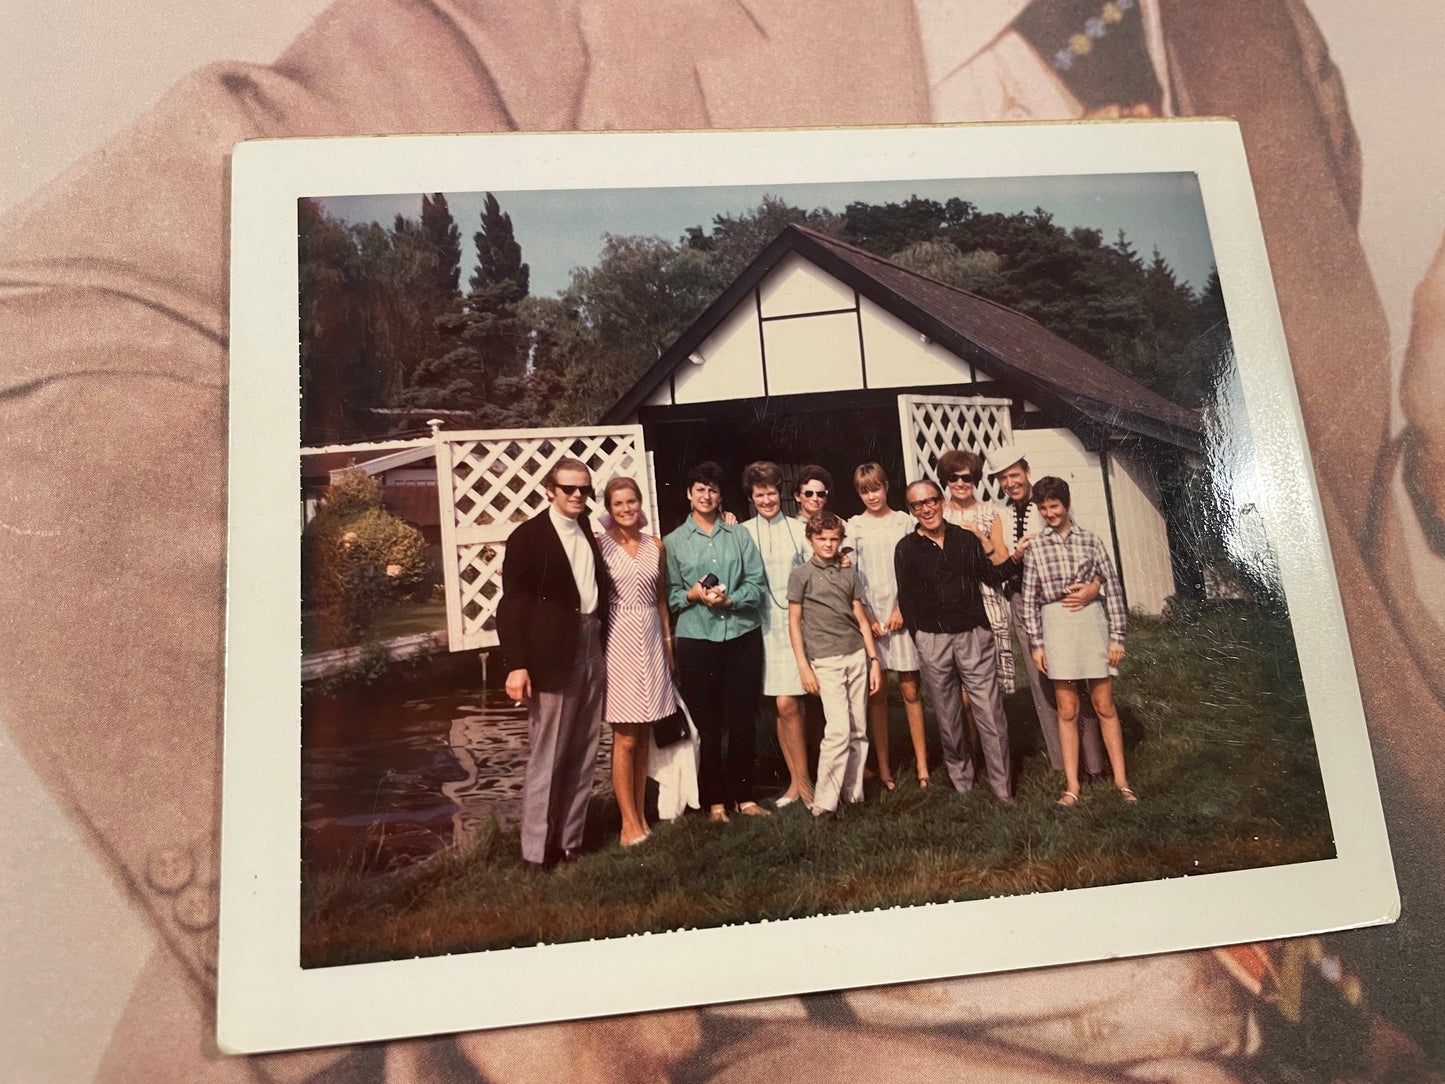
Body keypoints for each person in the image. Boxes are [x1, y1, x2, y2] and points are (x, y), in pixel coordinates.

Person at [4, 3, 1445, 1080]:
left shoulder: (1260, 41)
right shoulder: (558, 21)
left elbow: (1303, 561)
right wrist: (386, 920)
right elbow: (54, 333)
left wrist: (1431, 502)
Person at [495, 457, 611, 870]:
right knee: (548, 753)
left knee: (584, 749)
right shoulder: (527, 538)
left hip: (590, 643)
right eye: (569, 489)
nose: (578, 495)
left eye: (584, 489)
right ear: (550, 490)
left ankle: (570, 841)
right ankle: (535, 851)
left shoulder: (586, 529)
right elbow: (512, 605)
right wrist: (516, 664)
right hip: (551, 653)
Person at [983, 443, 1109, 780]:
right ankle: (1063, 764)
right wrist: (1016, 556)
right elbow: (997, 563)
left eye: (1014, 475)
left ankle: (1095, 763)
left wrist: (1094, 587)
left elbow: (1084, 550)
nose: (1010, 483)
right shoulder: (1001, 515)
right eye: (1002, 479)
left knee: (1078, 676)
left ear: (1025, 471)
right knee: (1044, 683)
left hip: (1063, 602)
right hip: (1023, 601)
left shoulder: (1047, 505)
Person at [894, 479, 1017, 804]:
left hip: (974, 635)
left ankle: (1003, 789)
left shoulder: (965, 539)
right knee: (948, 717)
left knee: (989, 713)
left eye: (931, 500)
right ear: (912, 510)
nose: (926, 508)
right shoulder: (906, 549)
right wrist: (919, 636)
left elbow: (993, 577)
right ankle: (962, 781)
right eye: (918, 505)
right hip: (932, 641)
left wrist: (990, 544)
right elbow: (906, 600)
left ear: (942, 501)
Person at [665, 460, 770, 823]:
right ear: (688, 495)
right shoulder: (673, 542)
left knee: (742, 719)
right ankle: (714, 802)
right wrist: (692, 595)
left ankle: (744, 795)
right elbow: (671, 595)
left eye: (712, 489)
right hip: (698, 639)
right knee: (707, 724)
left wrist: (732, 600)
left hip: (741, 634)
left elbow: (757, 583)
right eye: (699, 489)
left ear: (720, 495)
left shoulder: (738, 535)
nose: (706, 495)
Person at [1021, 476, 1134, 807]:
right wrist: (1037, 644)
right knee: (1067, 708)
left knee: (1104, 705)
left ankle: (1122, 782)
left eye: (1054, 506)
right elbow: (1029, 601)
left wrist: (1117, 637)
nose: (1049, 513)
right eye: (1043, 508)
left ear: (1066, 504)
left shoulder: (1090, 540)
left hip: (1091, 625)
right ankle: (1072, 786)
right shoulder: (1037, 546)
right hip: (1056, 627)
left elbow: (1111, 587)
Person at [596, 476, 679, 846]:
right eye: (618, 504)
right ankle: (628, 824)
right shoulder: (600, 546)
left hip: (650, 636)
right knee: (626, 735)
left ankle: (642, 815)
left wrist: (668, 643)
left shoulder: (655, 545)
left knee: (645, 734)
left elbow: (660, 599)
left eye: (631, 502)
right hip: (619, 638)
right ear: (609, 510)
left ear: (640, 503)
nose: (626, 509)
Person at [787, 512, 882, 820]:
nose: (828, 545)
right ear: (810, 539)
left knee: (858, 729)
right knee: (838, 730)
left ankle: (853, 795)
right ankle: (824, 805)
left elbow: (861, 619)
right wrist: (803, 666)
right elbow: (793, 622)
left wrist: (874, 660)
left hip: (855, 655)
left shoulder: (848, 573)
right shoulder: (801, 574)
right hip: (825, 660)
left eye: (833, 539)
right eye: (821, 539)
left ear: (841, 541)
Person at [847, 462, 930, 789]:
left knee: (910, 689)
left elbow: (916, 571)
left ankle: (923, 767)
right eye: (865, 491)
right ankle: (884, 769)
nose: (872, 496)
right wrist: (867, 617)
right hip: (872, 618)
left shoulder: (905, 522)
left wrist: (902, 609)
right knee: (878, 694)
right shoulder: (854, 527)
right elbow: (851, 576)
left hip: (901, 613)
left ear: (886, 487)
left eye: (876, 488)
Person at [740, 461, 815, 808]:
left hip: (794, 624)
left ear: (780, 493)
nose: (767, 500)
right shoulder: (742, 533)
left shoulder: (798, 530)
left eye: (771, 492)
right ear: (751, 497)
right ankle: (794, 783)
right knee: (778, 706)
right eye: (759, 494)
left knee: (789, 703)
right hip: (762, 625)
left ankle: (806, 783)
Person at [938, 449, 1013, 692]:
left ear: (975, 479)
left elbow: (1002, 560)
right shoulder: (939, 514)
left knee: (990, 680)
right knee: (959, 680)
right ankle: (969, 731)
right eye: (953, 478)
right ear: (946, 480)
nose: (960, 483)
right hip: (953, 601)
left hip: (987, 597)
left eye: (966, 478)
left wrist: (981, 537)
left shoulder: (990, 513)